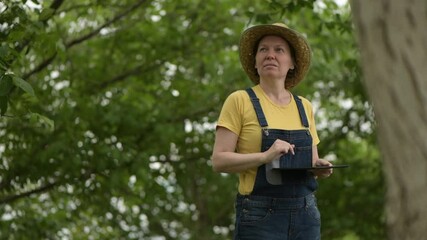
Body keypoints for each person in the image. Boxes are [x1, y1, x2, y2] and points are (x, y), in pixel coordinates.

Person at [212, 23, 333, 240]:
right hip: (259, 215)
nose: (270, 55)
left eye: (279, 50)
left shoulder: (304, 106)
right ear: (256, 62)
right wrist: (265, 157)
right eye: (263, 50)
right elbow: (219, 161)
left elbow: (311, 162)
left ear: (292, 63)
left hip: (306, 214)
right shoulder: (239, 100)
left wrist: (319, 167)